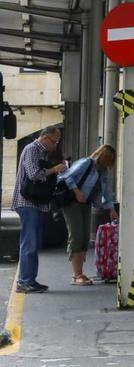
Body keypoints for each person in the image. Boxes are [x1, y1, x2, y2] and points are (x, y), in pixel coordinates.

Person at [11, 126, 67, 293]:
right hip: (28, 203)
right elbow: (34, 174)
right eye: (54, 141)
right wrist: (54, 169)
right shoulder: (32, 150)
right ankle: (24, 281)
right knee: (29, 242)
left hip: (36, 203)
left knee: (34, 243)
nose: (56, 145)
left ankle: (30, 280)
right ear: (45, 138)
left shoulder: (41, 151)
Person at [58, 144, 118, 286]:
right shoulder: (86, 163)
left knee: (85, 236)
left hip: (86, 203)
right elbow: (66, 176)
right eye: (108, 161)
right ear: (104, 158)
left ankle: (80, 272)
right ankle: (76, 275)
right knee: (76, 235)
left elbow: (106, 191)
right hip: (72, 202)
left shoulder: (102, 171)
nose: (108, 165)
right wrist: (77, 191)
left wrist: (112, 209)